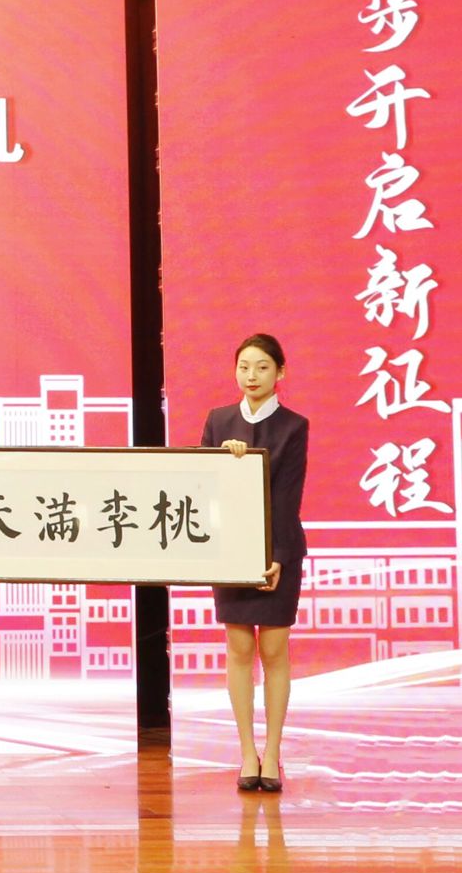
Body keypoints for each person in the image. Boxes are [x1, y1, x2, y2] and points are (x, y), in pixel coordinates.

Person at [204, 332, 307, 795]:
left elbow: (287, 499)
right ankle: (248, 753)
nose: (252, 375)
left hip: (278, 552)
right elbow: (203, 485)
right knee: (239, 648)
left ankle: (273, 750)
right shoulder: (218, 420)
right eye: (244, 366)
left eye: (262, 367)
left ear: (280, 372)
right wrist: (222, 459)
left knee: (275, 651)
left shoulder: (294, 426)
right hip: (231, 551)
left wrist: (278, 558)